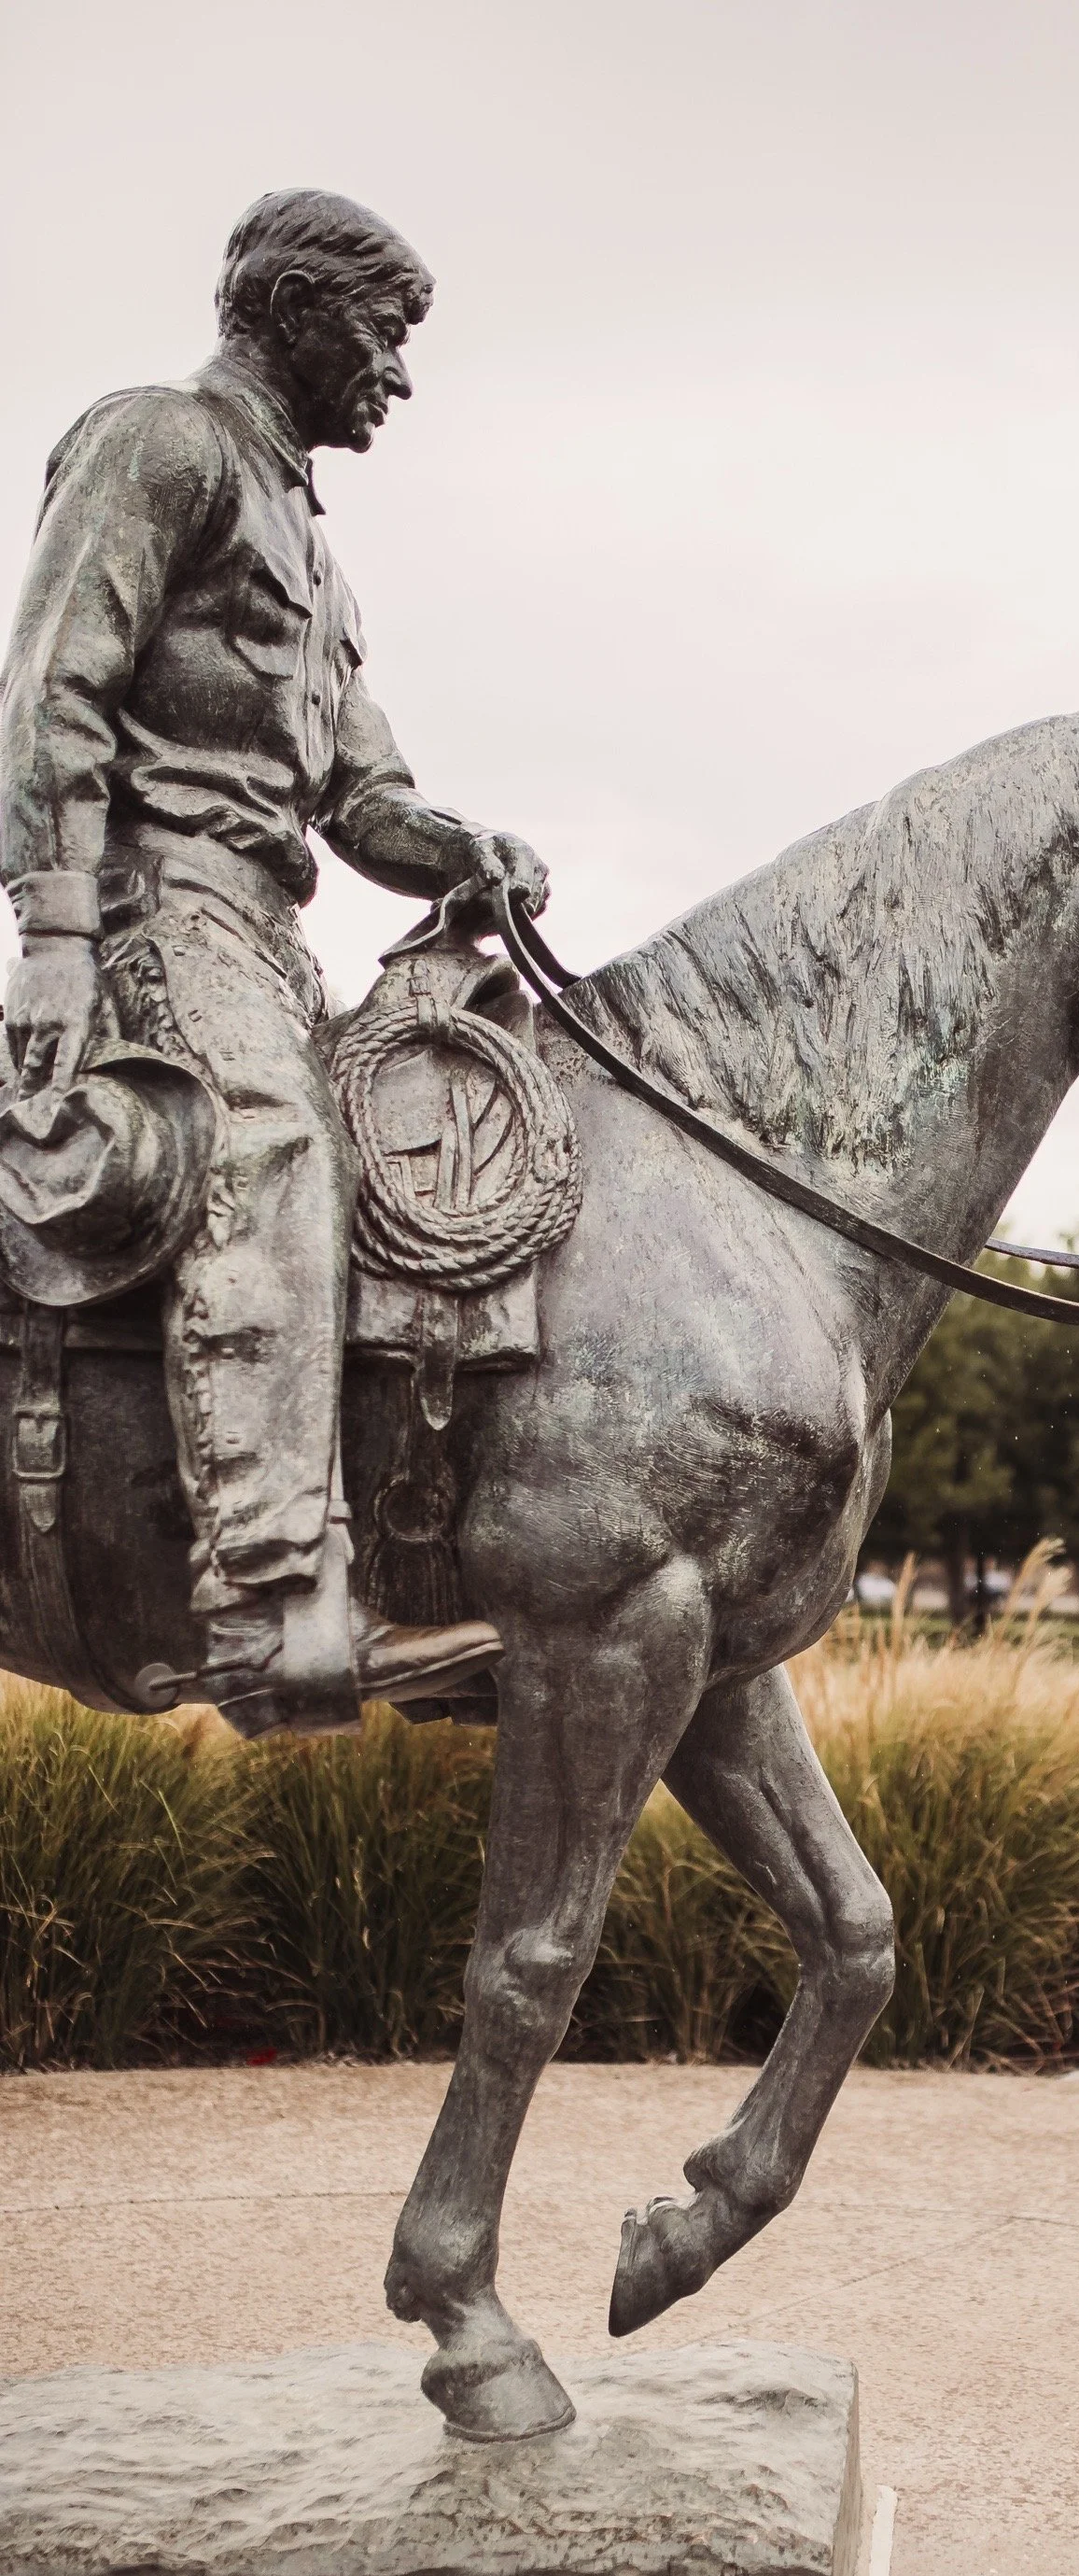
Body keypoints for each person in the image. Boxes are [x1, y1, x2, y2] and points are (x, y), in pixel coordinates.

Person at [0, 189, 550, 1734]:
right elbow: (54, 690)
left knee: (418, 1167)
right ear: (294, 310)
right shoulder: (160, 444)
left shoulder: (322, 567)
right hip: (150, 913)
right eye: (385, 332)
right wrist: (53, 933)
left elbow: (363, 799)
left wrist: (464, 853)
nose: (399, 373)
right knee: (279, 1144)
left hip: (272, 935)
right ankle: (262, 1594)